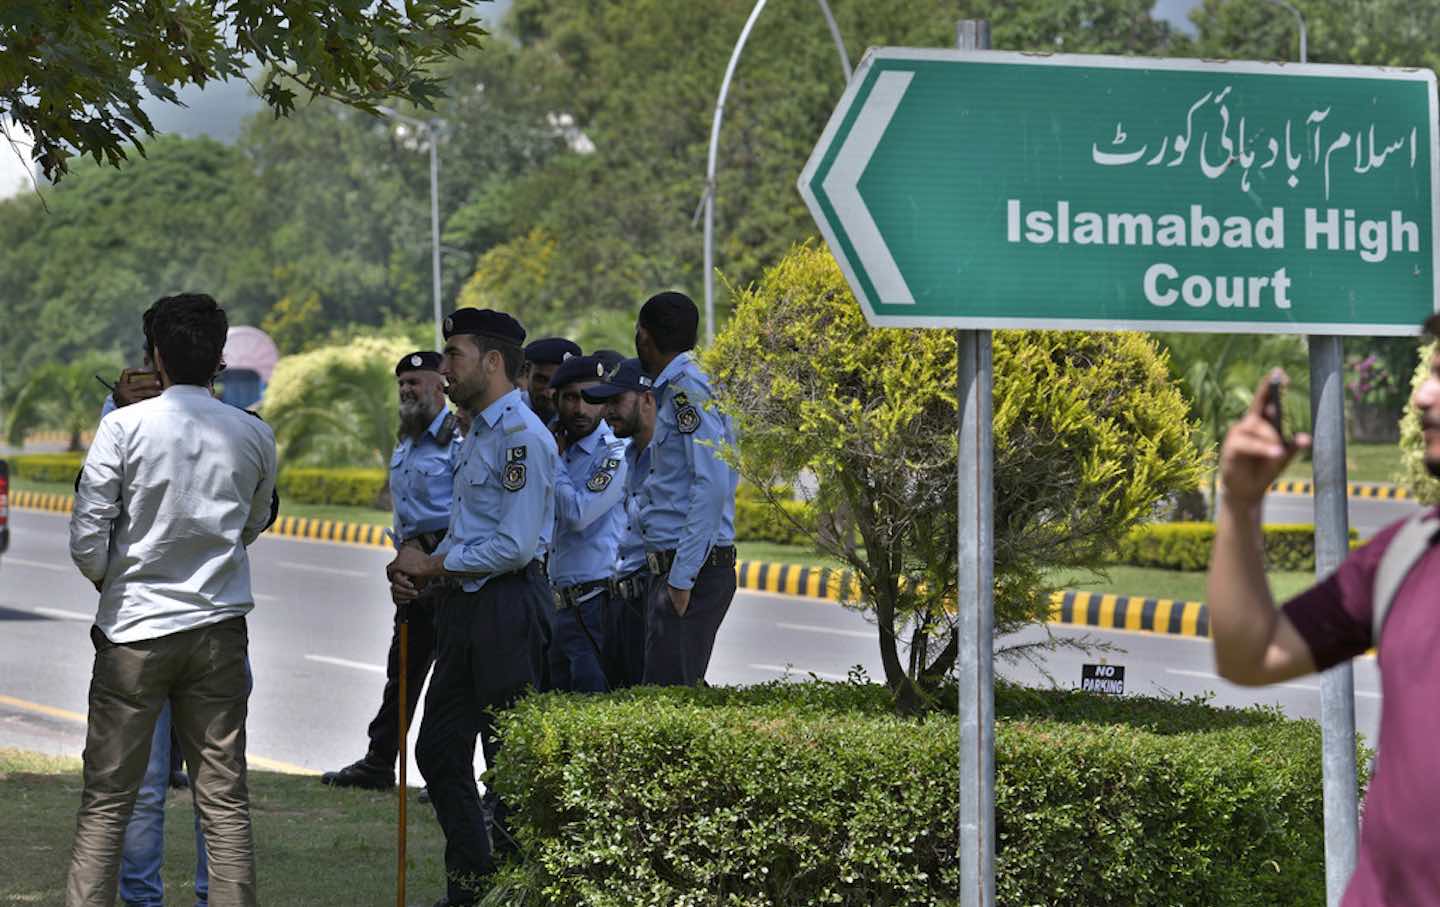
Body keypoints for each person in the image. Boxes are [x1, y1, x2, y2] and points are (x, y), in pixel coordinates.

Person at [1207, 315, 1440, 906]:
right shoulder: (1404, 556)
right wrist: (1239, 503)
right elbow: (1250, 655)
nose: (1423, 395)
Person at [67, 293, 276, 907]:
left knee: (109, 798)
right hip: (217, 629)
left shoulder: (122, 426)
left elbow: (87, 536)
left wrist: (113, 576)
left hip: (134, 628)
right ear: (218, 361)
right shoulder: (252, 433)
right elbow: (253, 522)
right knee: (224, 802)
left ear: (155, 357)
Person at [387, 308, 556, 907]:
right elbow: (466, 532)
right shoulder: (478, 431)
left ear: (492, 362)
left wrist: (431, 566)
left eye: (453, 355)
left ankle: (509, 888)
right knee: (436, 747)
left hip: (509, 605)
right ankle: (476, 883)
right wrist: (421, 576)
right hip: (464, 603)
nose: (443, 367)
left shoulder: (520, 437)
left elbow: (512, 545)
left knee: (507, 760)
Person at [321, 352, 456, 791]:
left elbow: (470, 512)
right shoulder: (408, 441)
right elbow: (407, 515)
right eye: (402, 383)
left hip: (450, 570)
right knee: (403, 669)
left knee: (454, 681)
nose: (406, 390)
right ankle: (380, 761)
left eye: (415, 382)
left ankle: (450, 778)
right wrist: (404, 561)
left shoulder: (461, 440)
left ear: (441, 386)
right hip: (411, 573)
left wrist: (429, 557)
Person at [631, 291, 739, 686]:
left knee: (668, 699)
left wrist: (681, 579)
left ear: (644, 336)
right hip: (683, 565)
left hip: (690, 568)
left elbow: (711, 485)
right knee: (667, 692)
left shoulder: (685, 389)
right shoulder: (689, 385)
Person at [545, 354, 629, 692]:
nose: (580, 408)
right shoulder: (556, 452)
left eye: (590, 398)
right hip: (552, 605)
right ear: (557, 401)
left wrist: (552, 461)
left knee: (591, 707)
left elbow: (579, 514)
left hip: (593, 605)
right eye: (570, 397)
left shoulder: (613, 454)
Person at [582, 358, 657, 687]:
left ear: (646, 398)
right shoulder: (627, 455)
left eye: (617, 401)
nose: (608, 411)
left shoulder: (669, 456)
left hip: (653, 597)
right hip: (619, 601)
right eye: (605, 402)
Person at [521, 336, 581, 427]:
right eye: (541, 380)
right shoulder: (504, 413)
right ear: (527, 371)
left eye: (558, 383)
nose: (549, 393)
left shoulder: (582, 418)